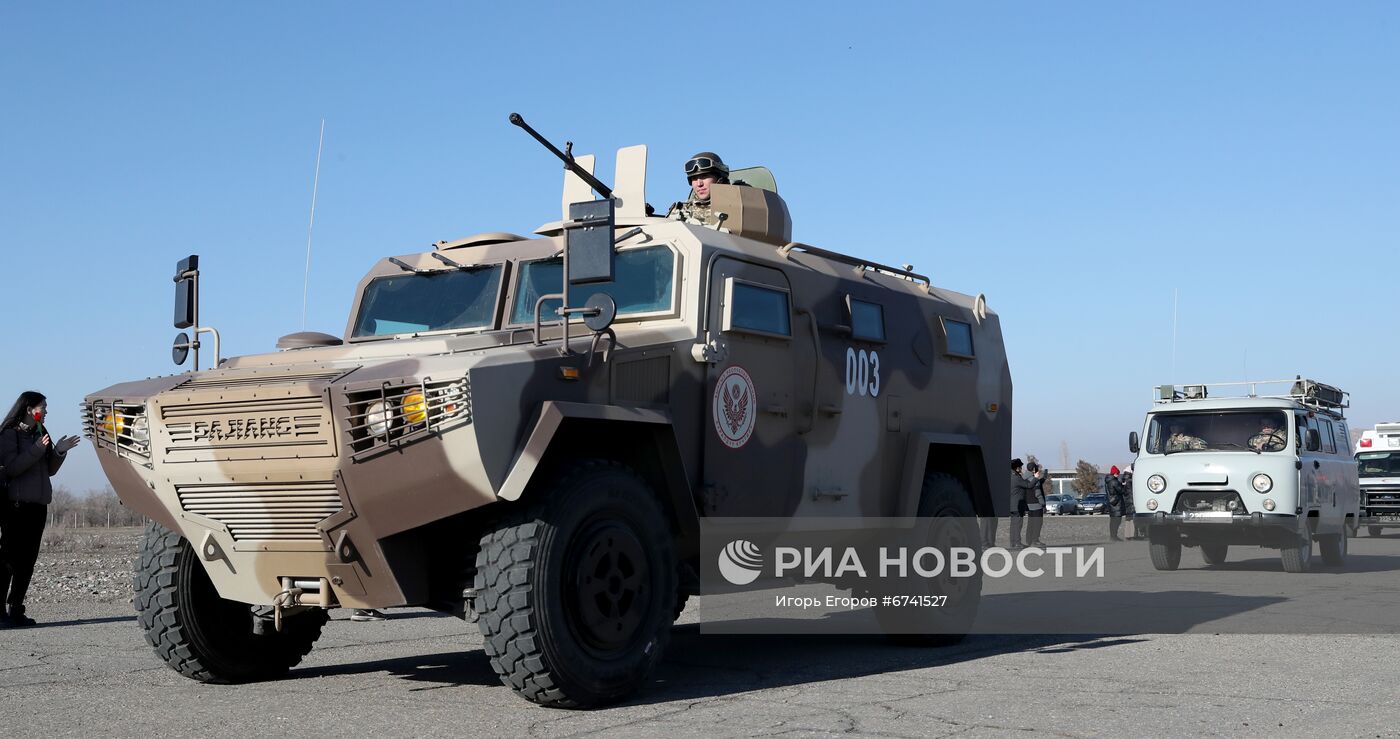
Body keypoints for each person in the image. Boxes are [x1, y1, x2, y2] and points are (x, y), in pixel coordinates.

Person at [1, 391, 81, 627]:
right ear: (28, 409)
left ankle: (16, 610)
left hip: (38, 507)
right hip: (15, 507)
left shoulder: (41, 432)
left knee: (28, 561)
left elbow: (49, 470)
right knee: (8, 561)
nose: (45, 411)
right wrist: (36, 448)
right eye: (42, 407)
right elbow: (12, 469)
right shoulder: (8, 435)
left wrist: (59, 451)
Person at [667, 152, 730, 227]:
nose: (699, 184)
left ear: (720, 179)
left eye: (704, 176)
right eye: (694, 178)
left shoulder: (736, 206)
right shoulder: (680, 210)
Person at [1007, 459, 1041, 549]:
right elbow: (1028, 485)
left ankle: (1013, 543)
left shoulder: (1010, 476)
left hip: (1012, 505)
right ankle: (1017, 543)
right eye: (1020, 467)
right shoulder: (1016, 478)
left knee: (1013, 525)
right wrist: (1036, 478)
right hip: (1017, 505)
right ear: (1017, 468)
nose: (1021, 468)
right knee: (1018, 525)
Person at [1024, 462, 1047, 548]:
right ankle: (1035, 540)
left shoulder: (1024, 478)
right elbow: (1038, 493)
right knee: (1037, 523)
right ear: (1033, 469)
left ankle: (1029, 540)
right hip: (1036, 505)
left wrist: (1042, 478)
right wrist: (1043, 504)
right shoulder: (1034, 480)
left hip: (1028, 505)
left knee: (1030, 523)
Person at [1105, 465, 1125, 541]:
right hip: (1116, 504)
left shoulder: (1108, 481)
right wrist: (1123, 485)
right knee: (1117, 521)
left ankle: (1112, 536)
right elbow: (1121, 491)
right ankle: (1114, 537)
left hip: (1111, 503)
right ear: (1115, 473)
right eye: (1117, 473)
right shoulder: (1114, 481)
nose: (1118, 475)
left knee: (1113, 521)